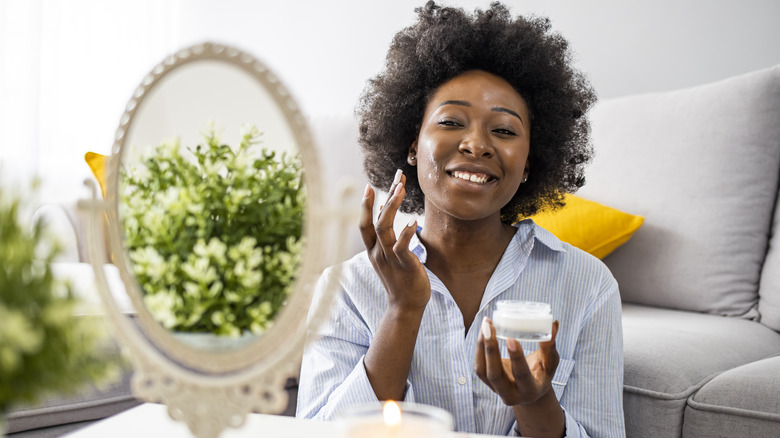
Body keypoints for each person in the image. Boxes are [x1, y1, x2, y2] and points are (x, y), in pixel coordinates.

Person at [296, 2, 625, 437]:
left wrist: (534, 401)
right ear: (413, 145)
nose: (476, 144)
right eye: (452, 121)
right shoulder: (348, 289)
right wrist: (402, 310)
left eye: (504, 131)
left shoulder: (588, 285)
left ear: (529, 163)